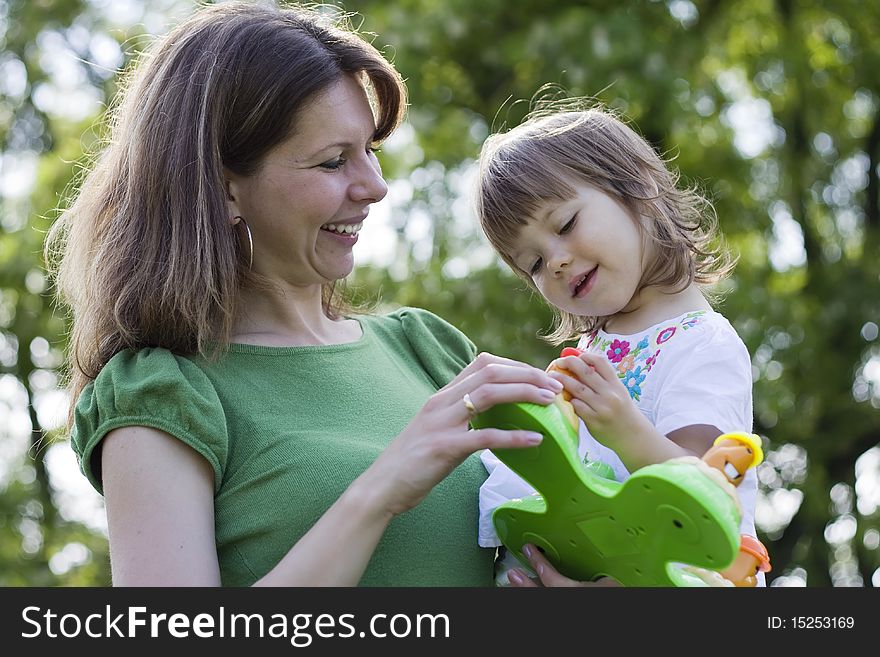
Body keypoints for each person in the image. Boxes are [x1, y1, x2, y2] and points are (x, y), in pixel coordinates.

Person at [45, 1, 565, 587]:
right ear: (224, 188)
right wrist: (380, 490)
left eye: (371, 151)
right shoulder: (165, 394)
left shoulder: (427, 350)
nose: (375, 186)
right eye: (332, 162)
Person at [473, 103, 762, 587]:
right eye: (535, 265)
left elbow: (706, 489)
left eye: (564, 225)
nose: (557, 262)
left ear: (639, 187)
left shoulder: (703, 345)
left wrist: (623, 428)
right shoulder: (590, 355)